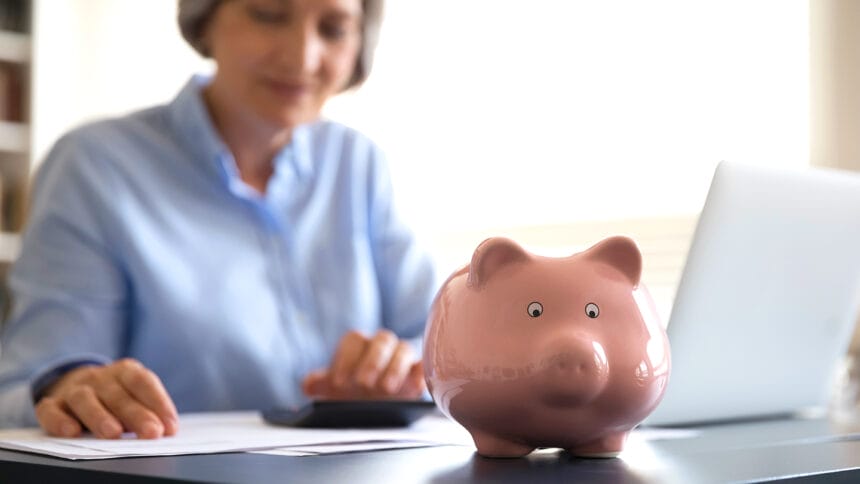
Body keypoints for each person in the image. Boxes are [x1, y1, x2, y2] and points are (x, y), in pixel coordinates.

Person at [0, 0, 438, 439]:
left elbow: (441, 346)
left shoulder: (359, 165)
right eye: (267, 14)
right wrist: (71, 386)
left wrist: (401, 372)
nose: (302, 57)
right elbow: (31, 382)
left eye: (335, 29)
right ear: (204, 19)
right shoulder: (95, 167)